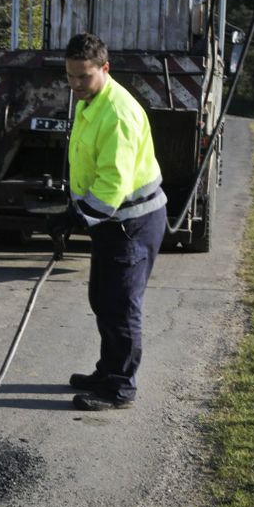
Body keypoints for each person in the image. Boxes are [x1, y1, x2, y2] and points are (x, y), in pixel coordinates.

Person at [47, 32, 167, 411]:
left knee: (120, 306)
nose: (76, 85)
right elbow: (90, 166)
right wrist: (75, 210)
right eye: (70, 76)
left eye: (84, 76)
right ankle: (107, 369)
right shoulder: (91, 102)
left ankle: (120, 387)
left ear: (105, 68)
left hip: (131, 224)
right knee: (102, 298)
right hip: (110, 223)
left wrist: (80, 215)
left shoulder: (117, 112)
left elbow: (113, 181)